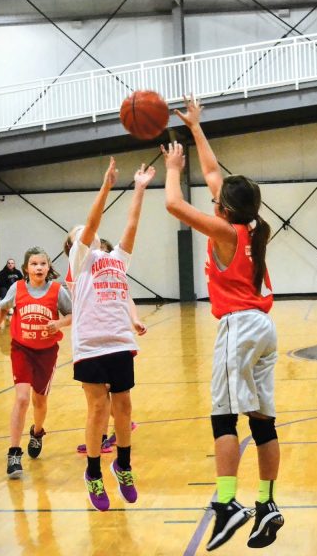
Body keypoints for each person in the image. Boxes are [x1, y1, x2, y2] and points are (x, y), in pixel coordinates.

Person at [162, 95, 284, 551]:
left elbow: (174, 204)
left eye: (217, 198)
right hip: (264, 328)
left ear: (224, 209)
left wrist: (173, 167)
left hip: (239, 327)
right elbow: (214, 173)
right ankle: (266, 502)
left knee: (223, 416)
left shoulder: (224, 230)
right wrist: (196, 128)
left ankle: (229, 502)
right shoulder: (253, 225)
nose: (213, 195)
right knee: (263, 421)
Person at [64, 156, 155, 511]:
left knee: (124, 406)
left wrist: (139, 188)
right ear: (74, 246)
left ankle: (123, 465)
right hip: (89, 346)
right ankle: (93, 473)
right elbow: (91, 222)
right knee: (98, 409)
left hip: (119, 341)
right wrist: (106, 186)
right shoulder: (80, 263)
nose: (86, 233)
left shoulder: (117, 259)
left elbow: (132, 224)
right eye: (79, 235)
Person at [0, 247, 72, 479]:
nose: (39, 267)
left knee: (39, 401)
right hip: (22, 349)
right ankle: (14, 453)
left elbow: (74, 314)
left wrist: (59, 324)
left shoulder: (57, 290)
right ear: (26, 268)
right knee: (22, 398)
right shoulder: (18, 288)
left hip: (47, 352)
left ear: (48, 267)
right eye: (34, 264)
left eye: (42, 263)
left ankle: (37, 431)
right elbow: (1, 309)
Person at [74, 239, 143, 455]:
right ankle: (103, 435)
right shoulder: (81, 270)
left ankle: (107, 435)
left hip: (112, 342)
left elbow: (127, 297)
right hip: (90, 342)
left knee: (106, 399)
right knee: (98, 401)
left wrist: (135, 319)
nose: (101, 255)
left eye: (105, 251)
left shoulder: (113, 274)